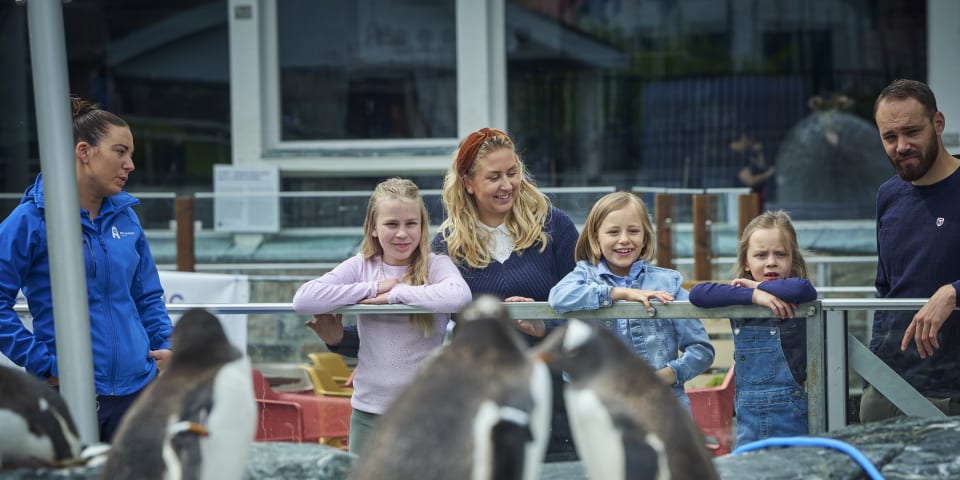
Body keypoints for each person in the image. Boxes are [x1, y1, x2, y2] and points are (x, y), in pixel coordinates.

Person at [0, 97, 173, 442]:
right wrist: (42, 361)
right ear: (84, 151)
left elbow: (147, 296)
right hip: (68, 393)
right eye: (120, 152)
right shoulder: (30, 220)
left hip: (136, 391)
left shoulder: (127, 218)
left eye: (131, 155)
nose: (130, 165)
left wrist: (165, 344)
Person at [292, 177, 471, 456]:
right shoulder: (362, 266)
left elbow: (459, 297)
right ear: (373, 228)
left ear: (422, 226)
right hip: (368, 413)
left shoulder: (437, 264)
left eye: (411, 223)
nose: (402, 233)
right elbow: (304, 298)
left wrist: (397, 293)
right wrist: (374, 287)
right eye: (391, 224)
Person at [431, 127, 580, 460]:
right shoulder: (446, 246)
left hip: (553, 395)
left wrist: (545, 327)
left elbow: (588, 314)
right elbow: (425, 322)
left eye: (512, 173)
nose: (507, 185)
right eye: (494, 177)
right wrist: (344, 340)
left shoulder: (555, 227)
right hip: (480, 397)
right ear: (468, 183)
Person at [548, 191, 714, 412]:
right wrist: (618, 293)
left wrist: (659, 378)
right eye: (613, 232)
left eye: (633, 231)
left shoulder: (668, 282)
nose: (624, 239)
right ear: (595, 236)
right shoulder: (584, 276)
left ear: (645, 236)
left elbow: (701, 350)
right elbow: (558, 298)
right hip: (600, 408)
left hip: (662, 406)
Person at [859, 78, 960, 422]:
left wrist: (953, 292)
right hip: (885, 387)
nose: (902, 146)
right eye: (890, 137)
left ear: (938, 123)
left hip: (950, 393)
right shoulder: (888, 194)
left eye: (912, 132)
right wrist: (872, 372)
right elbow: (886, 288)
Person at [689, 210, 817, 445]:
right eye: (760, 255)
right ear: (746, 262)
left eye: (780, 254)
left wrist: (759, 286)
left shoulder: (795, 294)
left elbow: (803, 289)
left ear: (792, 259)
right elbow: (698, 294)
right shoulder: (740, 297)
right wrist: (752, 295)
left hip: (791, 414)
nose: (771, 262)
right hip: (748, 418)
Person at [731, 133, 775, 211]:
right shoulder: (736, 157)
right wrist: (768, 174)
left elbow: (761, 167)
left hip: (756, 199)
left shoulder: (748, 155)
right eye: (752, 141)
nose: (752, 144)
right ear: (744, 138)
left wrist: (759, 152)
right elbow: (751, 181)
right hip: (746, 201)